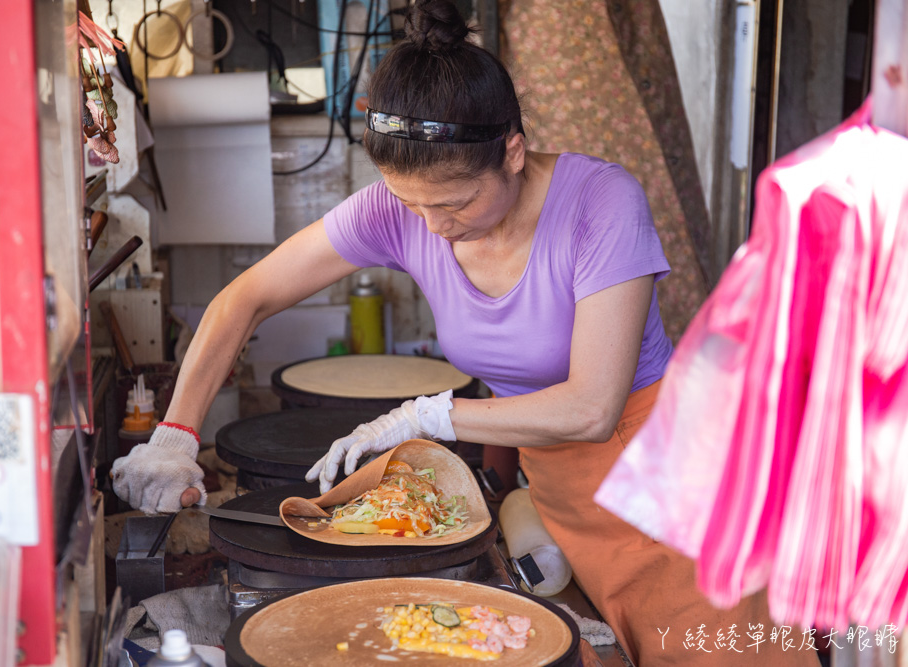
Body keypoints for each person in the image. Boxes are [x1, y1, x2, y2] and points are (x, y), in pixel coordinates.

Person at [112, 2, 817, 664]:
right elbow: (245, 298)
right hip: (566, 493)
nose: (432, 227)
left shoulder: (601, 203)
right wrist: (175, 435)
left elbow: (593, 407)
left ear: (512, 151)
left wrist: (427, 415)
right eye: (412, 205)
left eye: (454, 202)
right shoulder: (400, 210)